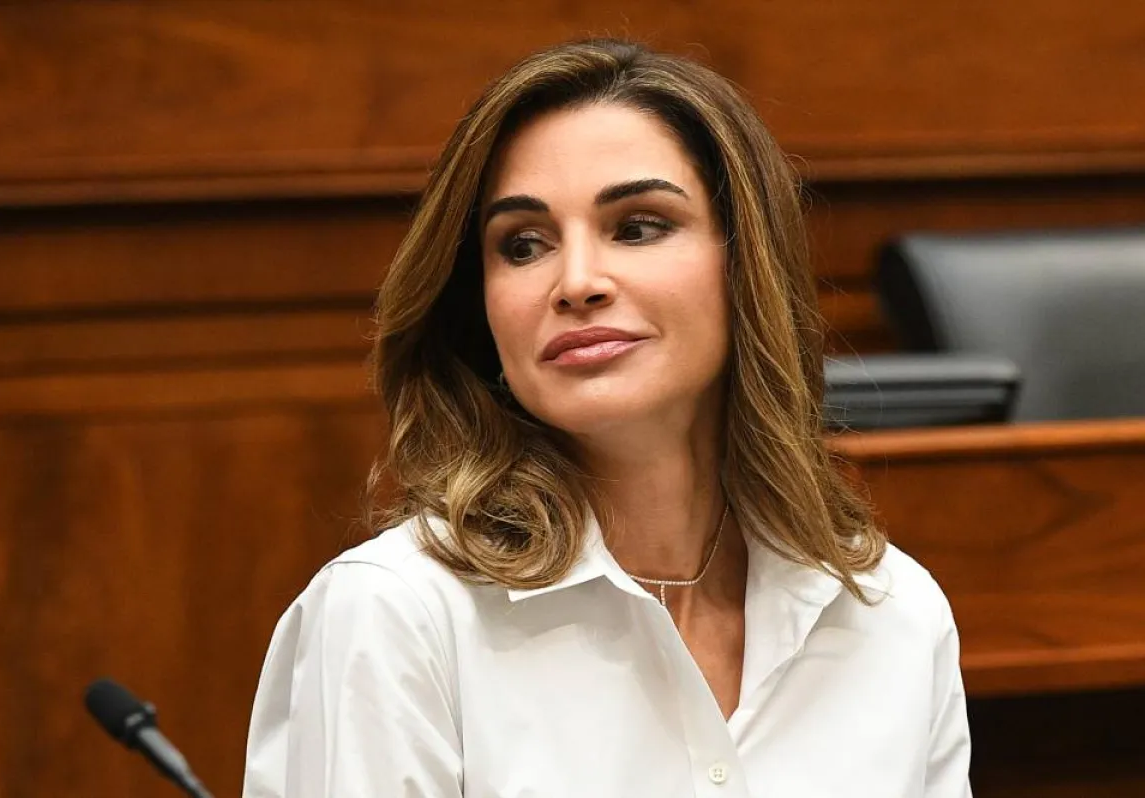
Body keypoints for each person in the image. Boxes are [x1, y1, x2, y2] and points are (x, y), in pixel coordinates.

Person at [242, 38, 972, 798]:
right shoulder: (395, 615)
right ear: (481, 309)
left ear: (744, 263)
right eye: (523, 245)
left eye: (638, 226)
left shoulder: (888, 611)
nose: (578, 281)